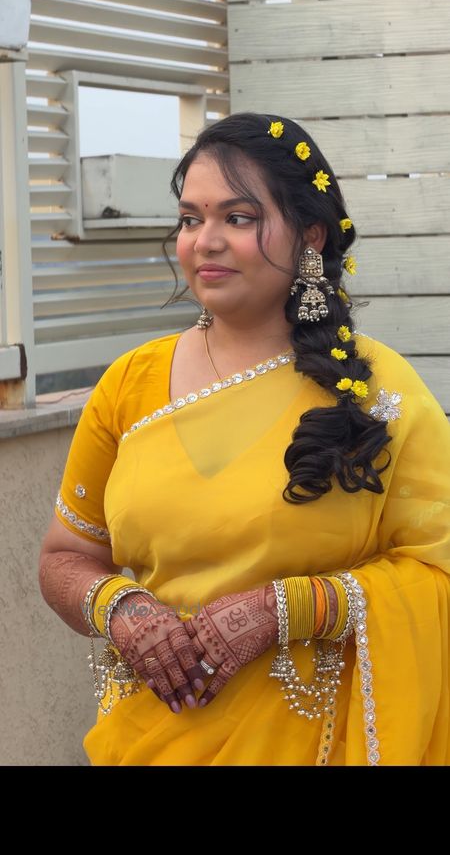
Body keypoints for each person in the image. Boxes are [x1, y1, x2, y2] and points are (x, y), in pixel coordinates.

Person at [38, 112, 450, 766]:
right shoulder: (128, 385)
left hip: (318, 745)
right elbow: (66, 557)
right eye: (190, 218)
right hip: (152, 737)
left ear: (310, 235)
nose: (205, 241)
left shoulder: (377, 391)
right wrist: (124, 610)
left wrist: (288, 608)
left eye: (237, 217)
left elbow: (437, 571)